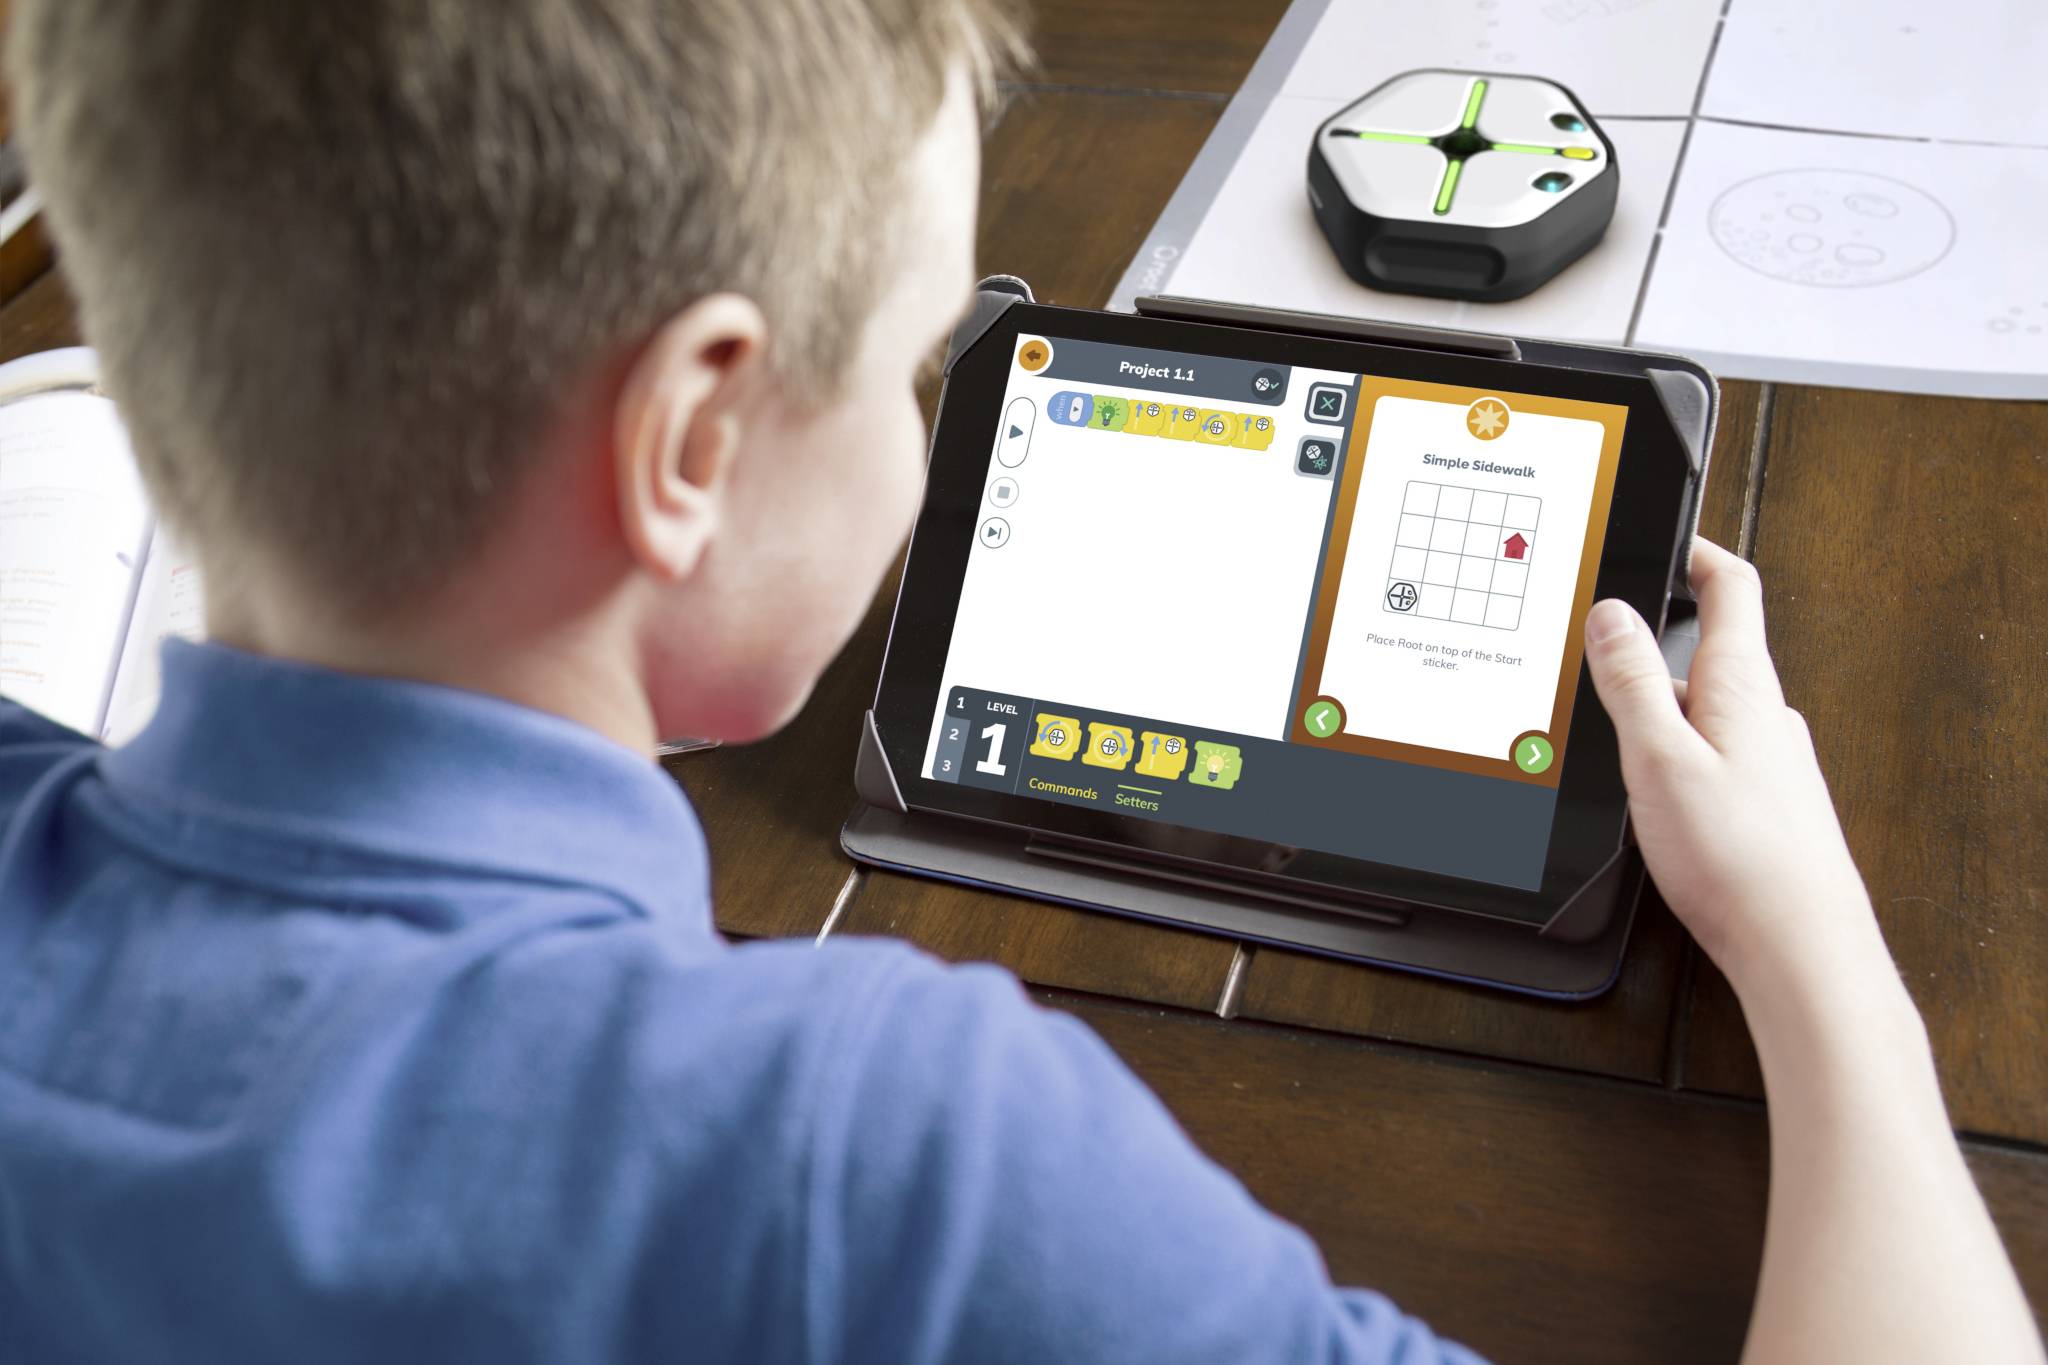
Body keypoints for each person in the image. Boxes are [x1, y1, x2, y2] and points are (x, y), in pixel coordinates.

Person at [0, 2, 2038, 1362]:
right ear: (691, 443)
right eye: (913, 370)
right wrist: (1807, 930)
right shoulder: (878, 1151)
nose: (924, 439)